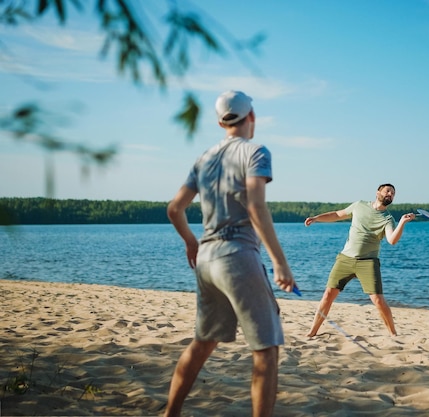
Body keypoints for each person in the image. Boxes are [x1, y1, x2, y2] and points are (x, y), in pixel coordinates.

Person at [164, 90, 296, 417]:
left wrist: (191, 242)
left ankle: (170, 413)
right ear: (251, 117)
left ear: (221, 121)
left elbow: (174, 209)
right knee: (266, 348)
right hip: (236, 256)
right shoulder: (255, 152)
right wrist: (280, 262)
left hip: (206, 259)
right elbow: (255, 206)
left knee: (203, 342)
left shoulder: (204, 158)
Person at [304, 184, 415, 338]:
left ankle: (393, 334)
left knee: (377, 299)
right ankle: (312, 332)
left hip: (368, 262)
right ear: (378, 193)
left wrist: (402, 222)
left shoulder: (388, 219)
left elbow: (392, 240)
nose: (390, 194)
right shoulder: (359, 205)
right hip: (345, 259)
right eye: (387, 191)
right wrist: (316, 218)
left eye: (393, 193)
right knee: (328, 294)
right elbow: (337, 214)